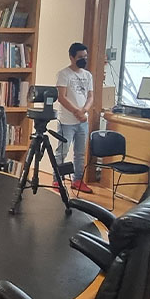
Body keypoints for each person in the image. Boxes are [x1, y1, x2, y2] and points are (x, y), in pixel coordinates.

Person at [55, 42, 95, 194]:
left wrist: (84, 111)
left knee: (80, 153)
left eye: (85, 56)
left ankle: (77, 180)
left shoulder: (88, 75)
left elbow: (90, 96)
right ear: (71, 57)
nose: (83, 59)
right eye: (80, 57)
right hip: (67, 121)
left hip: (83, 121)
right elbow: (62, 97)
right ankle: (57, 179)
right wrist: (76, 111)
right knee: (62, 152)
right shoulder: (64, 74)